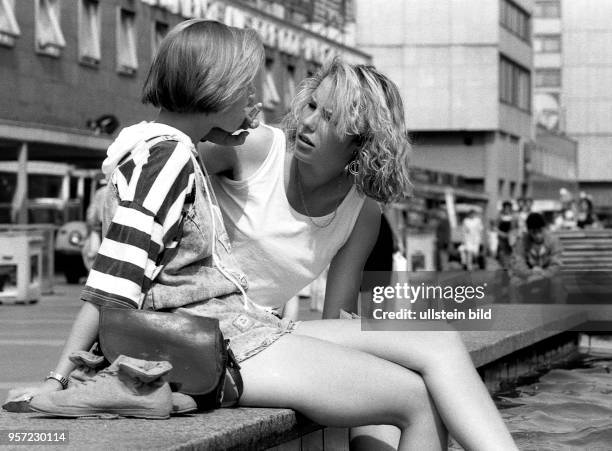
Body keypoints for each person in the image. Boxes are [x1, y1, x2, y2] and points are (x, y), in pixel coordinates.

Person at [201, 59, 517, 450]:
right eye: (312, 105)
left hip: (265, 330)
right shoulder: (253, 150)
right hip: (211, 327)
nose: (309, 121)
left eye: (329, 117)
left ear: (361, 139)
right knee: (413, 389)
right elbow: (161, 168)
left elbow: (338, 320)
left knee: (437, 342)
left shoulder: (362, 211)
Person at [510, 212, 564, 303]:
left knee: (558, 283)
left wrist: (542, 274)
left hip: (547, 275)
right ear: (529, 231)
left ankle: (559, 313)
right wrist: (530, 273)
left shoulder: (553, 241)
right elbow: (518, 263)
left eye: (540, 231)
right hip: (528, 275)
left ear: (544, 228)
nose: (538, 235)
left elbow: (557, 264)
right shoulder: (522, 241)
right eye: (534, 233)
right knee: (513, 283)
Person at [496, 201, 517, 270]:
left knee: (511, 252)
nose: (507, 209)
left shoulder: (514, 216)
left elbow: (515, 227)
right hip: (502, 236)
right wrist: (501, 234)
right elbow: (496, 227)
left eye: (508, 208)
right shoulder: (500, 216)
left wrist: (512, 234)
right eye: (506, 208)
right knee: (502, 252)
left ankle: (510, 266)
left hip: (511, 237)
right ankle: (505, 266)